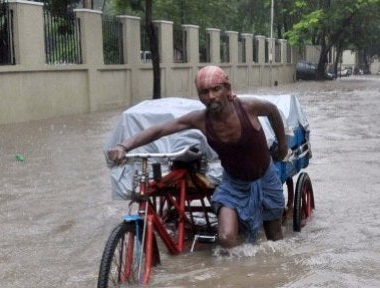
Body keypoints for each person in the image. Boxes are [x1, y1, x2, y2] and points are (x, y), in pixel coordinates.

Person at [107, 65, 288, 248]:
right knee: (226, 238)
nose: (210, 96)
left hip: (265, 178)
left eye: (216, 89)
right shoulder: (200, 119)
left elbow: (273, 111)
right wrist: (124, 146)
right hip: (233, 184)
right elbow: (160, 129)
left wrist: (282, 146)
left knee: (274, 238)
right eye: (204, 92)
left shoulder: (248, 107)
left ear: (227, 89)